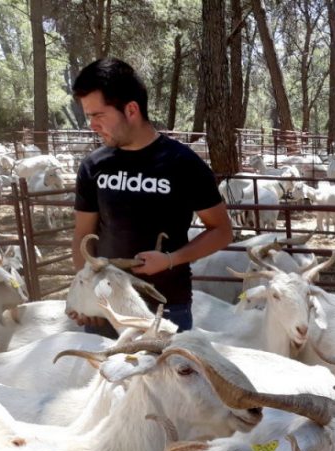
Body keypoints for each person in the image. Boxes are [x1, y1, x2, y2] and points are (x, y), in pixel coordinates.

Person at [68, 57, 232, 332]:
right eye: (89, 117)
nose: (92, 125)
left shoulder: (184, 164)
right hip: (106, 310)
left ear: (131, 109)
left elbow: (222, 231)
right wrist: (86, 293)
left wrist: (171, 259)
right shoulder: (92, 166)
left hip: (166, 310)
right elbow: (82, 235)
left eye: (98, 115)